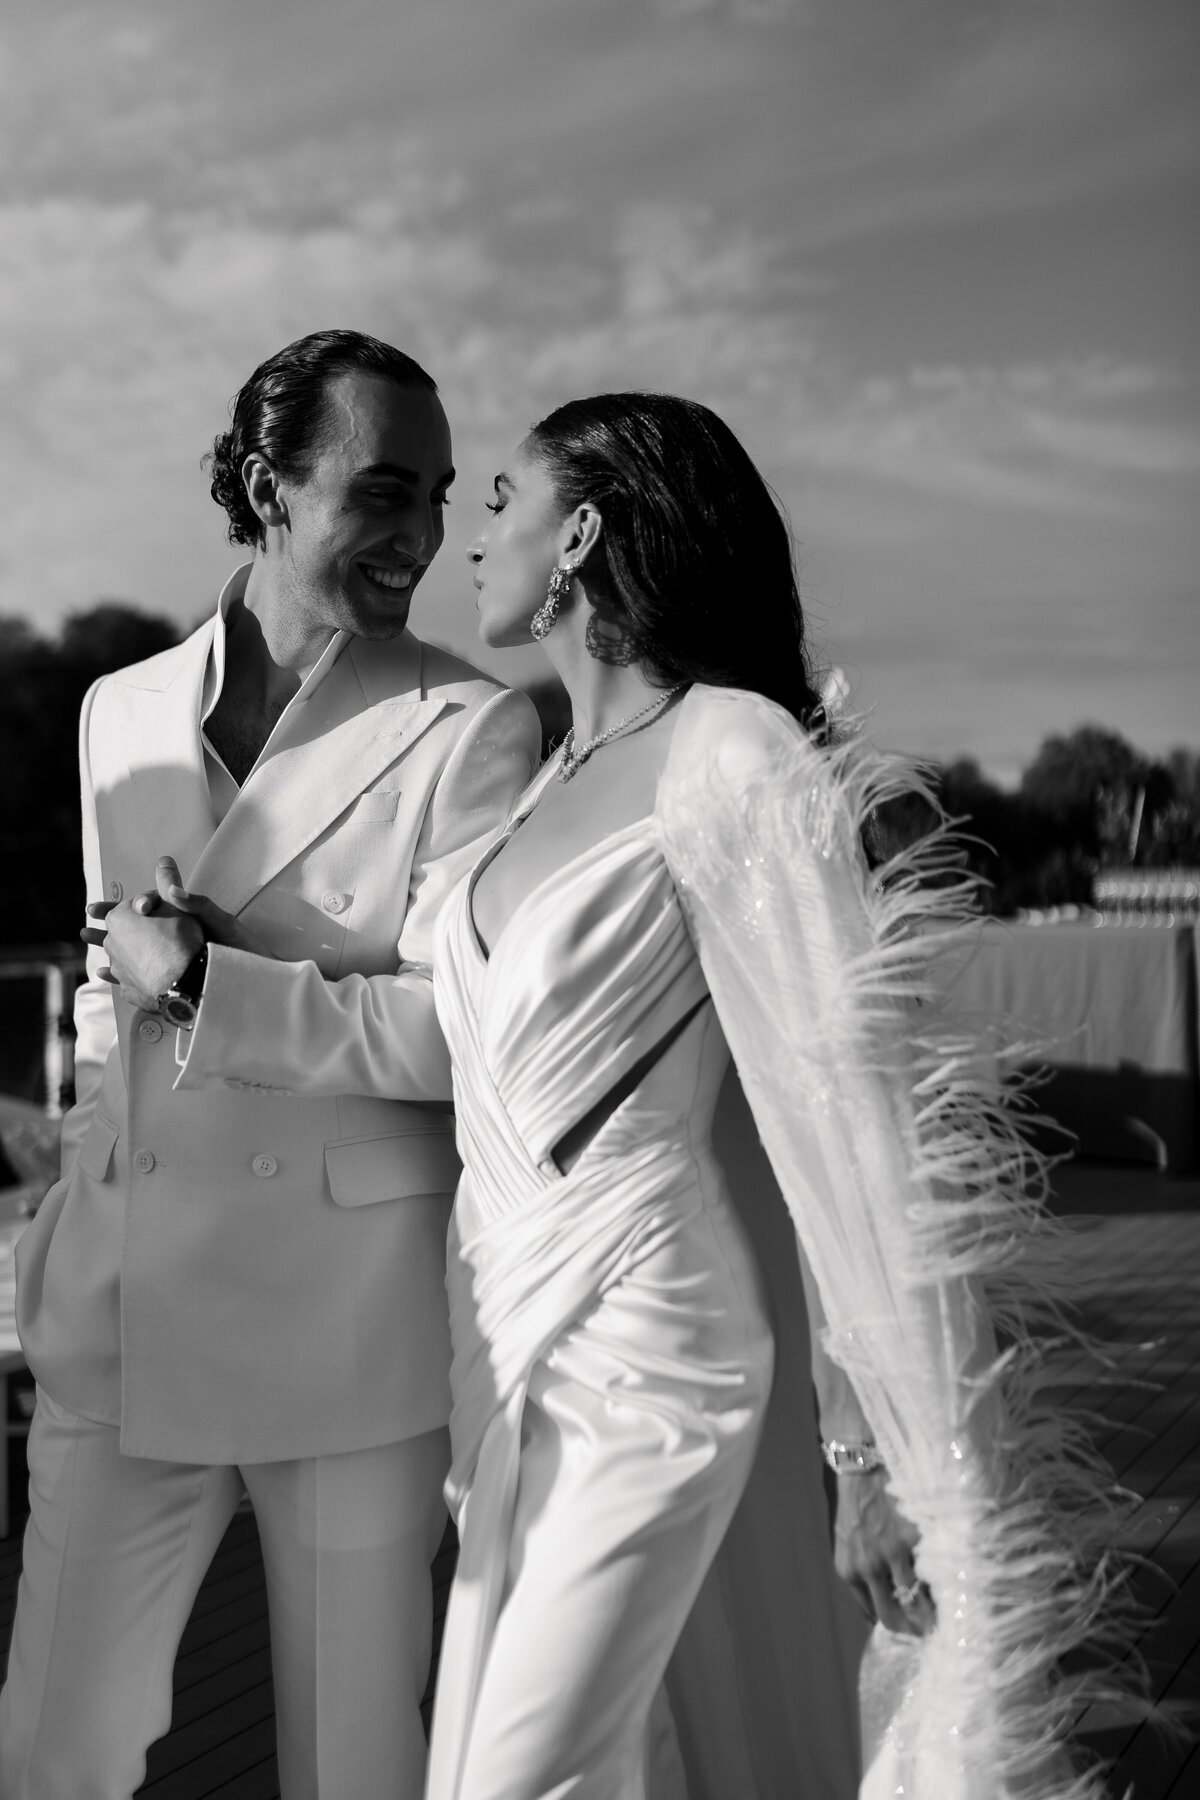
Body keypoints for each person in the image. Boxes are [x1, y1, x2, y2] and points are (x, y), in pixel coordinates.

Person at [423, 393, 1112, 1800]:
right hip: (499, 1345)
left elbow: (842, 1109)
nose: (473, 536)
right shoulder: (535, 779)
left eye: (503, 498)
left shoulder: (733, 753)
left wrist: (867, 1452)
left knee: (520, 1778)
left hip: (654, 1353)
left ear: (585, 531)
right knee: (617, 1760)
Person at [0, 330, 540, 1800]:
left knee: (354, 1770)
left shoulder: (475, 727)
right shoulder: (119, 708)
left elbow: (458, 1038)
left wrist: (215, 992)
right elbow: (118, 990)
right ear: (268, 487)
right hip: (122, 1318)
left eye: (439, 494)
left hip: (346, 1337)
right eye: (384, 491)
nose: (425, 535)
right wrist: (87, 1149)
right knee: (53, 1752)